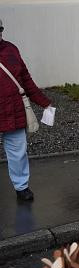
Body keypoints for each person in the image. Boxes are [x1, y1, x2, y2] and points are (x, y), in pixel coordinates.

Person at [0, 19, 52, 201]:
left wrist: (44, 102)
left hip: (13, 110)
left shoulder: (11, 50)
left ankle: (21, 186)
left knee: (18, 151)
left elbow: (26, 79)